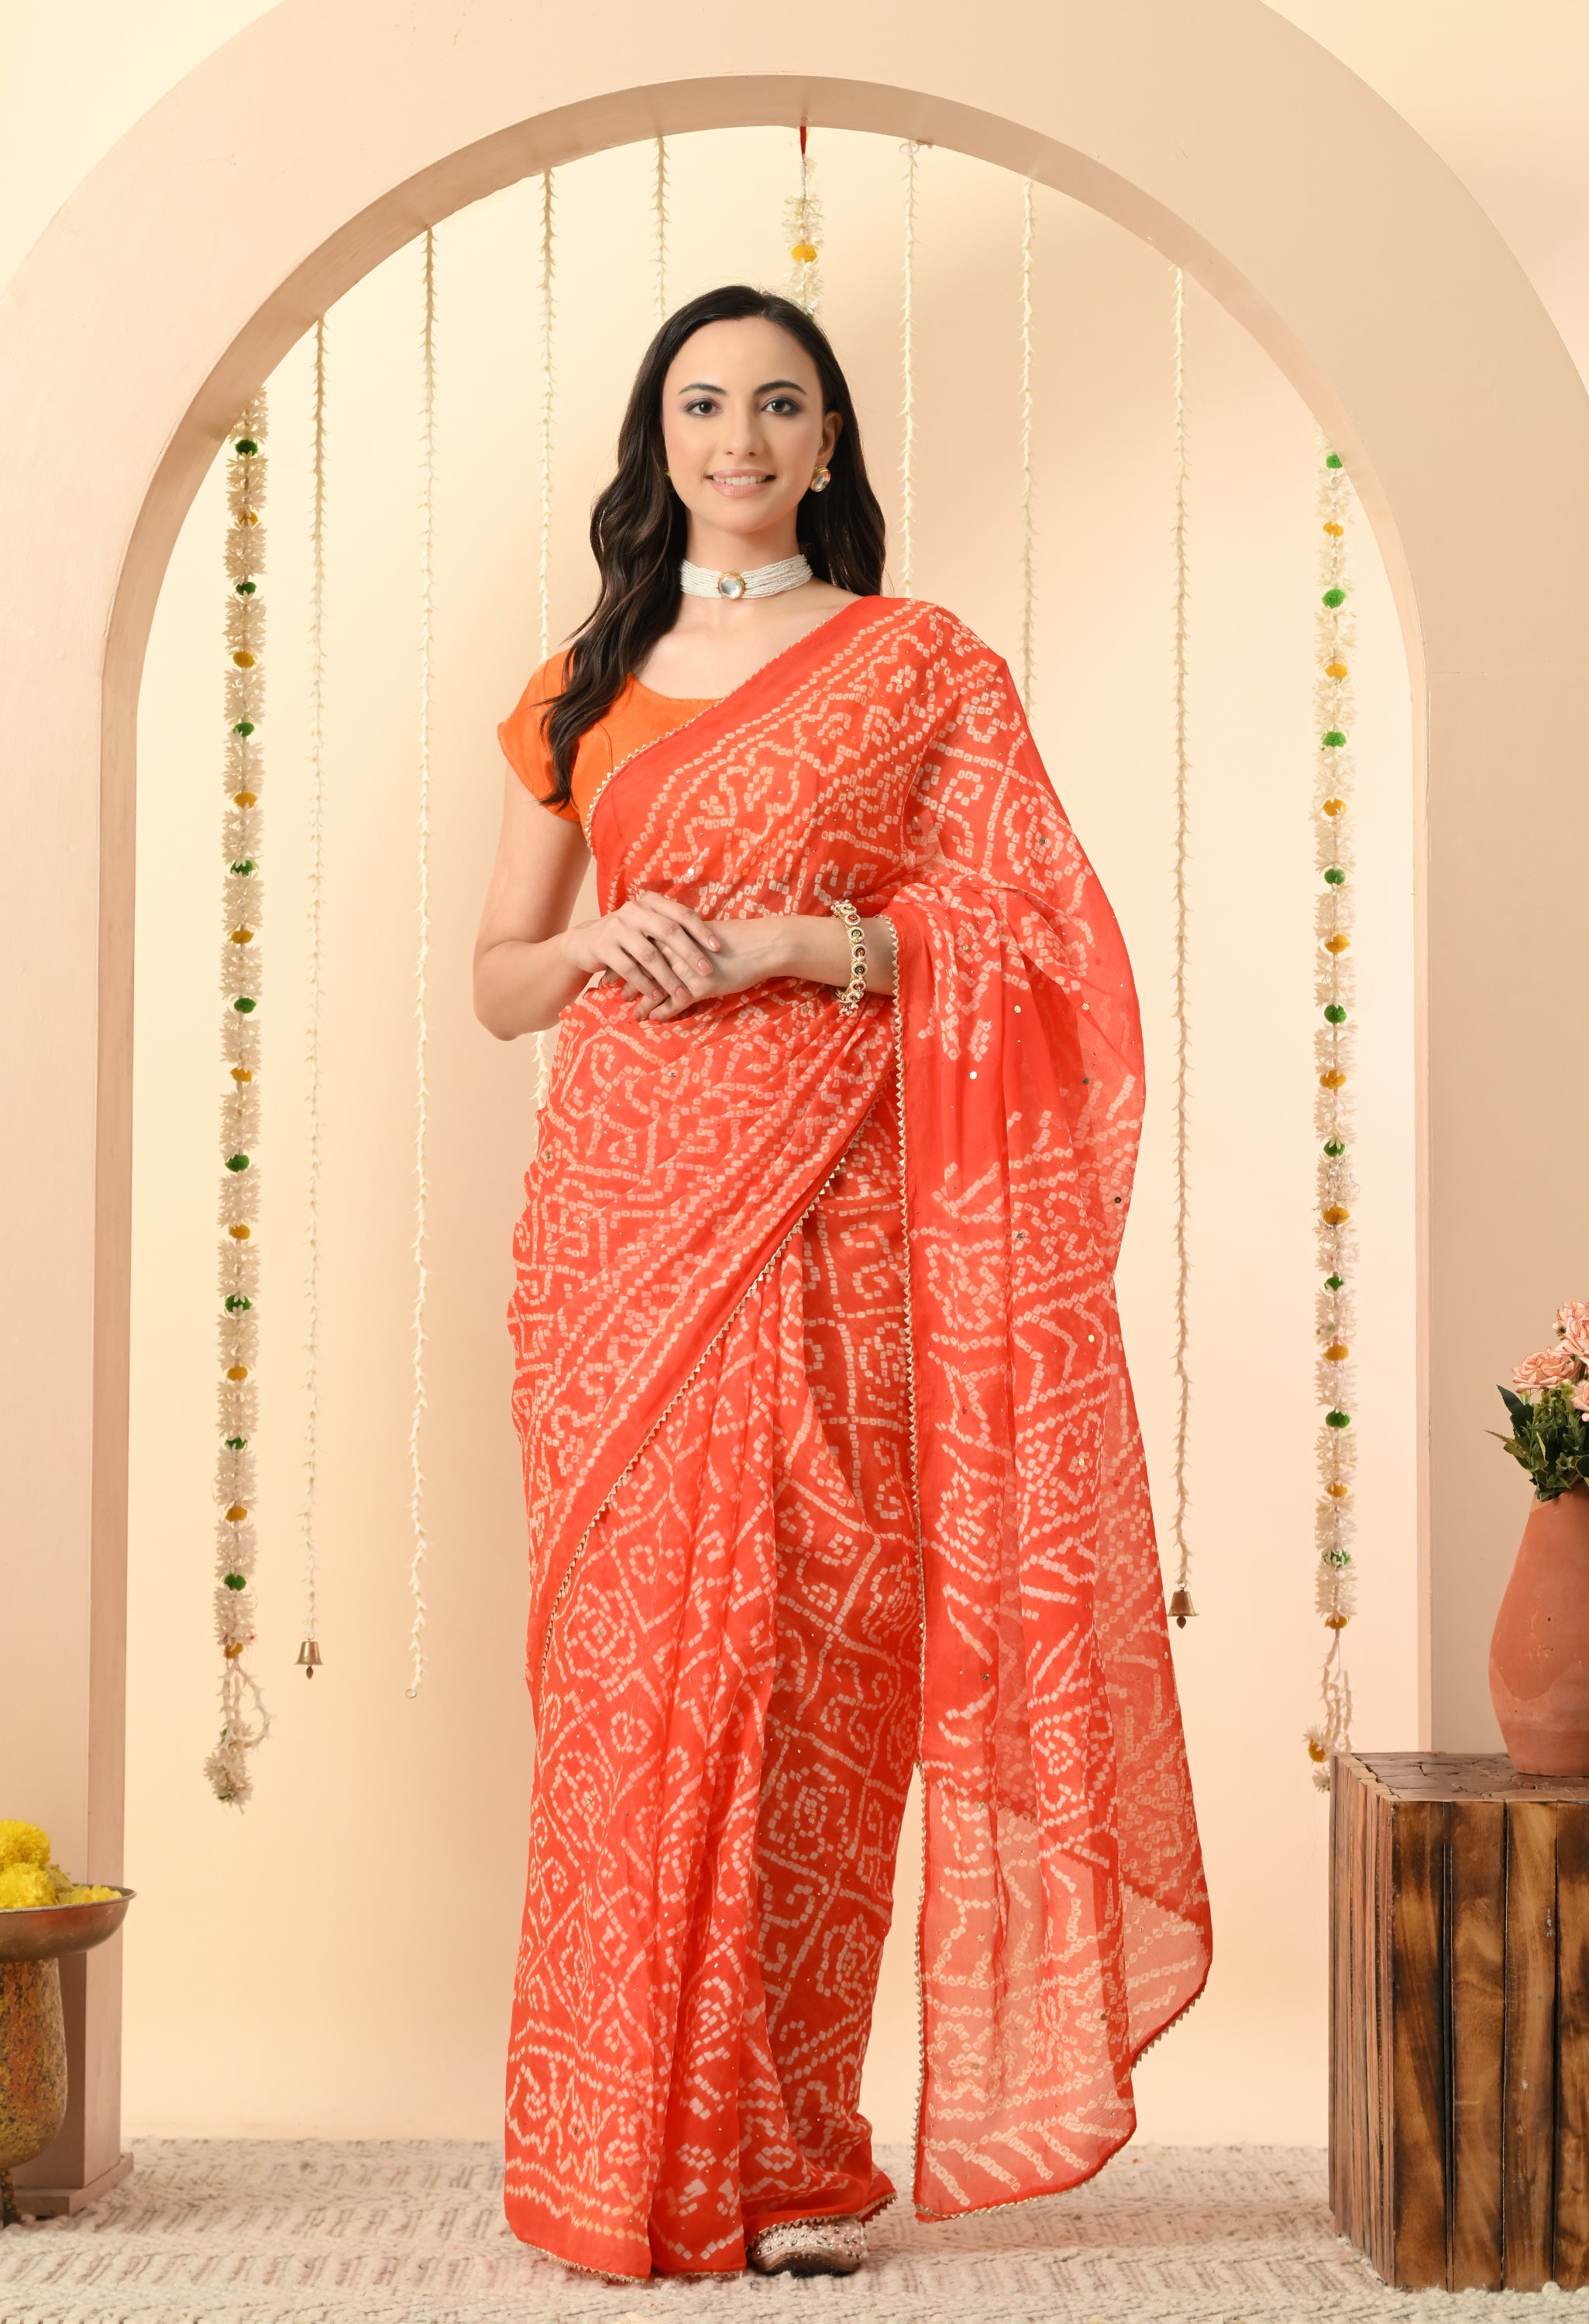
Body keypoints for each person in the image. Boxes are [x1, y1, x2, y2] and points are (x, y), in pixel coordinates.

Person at [473, 283, 1209, 2284]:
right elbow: (498, 984)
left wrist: (817, 949)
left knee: (818, 1668)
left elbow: (1040, 939)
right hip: (623, 1226)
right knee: (635, 1683)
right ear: (658, 439)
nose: (739, 437)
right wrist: (594, 951)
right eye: (703, 404)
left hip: (844, 1216)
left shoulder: (917, 666)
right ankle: (612, 2154)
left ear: (826, 443)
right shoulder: (578, 684)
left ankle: (792, 2151)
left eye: (778, 404)